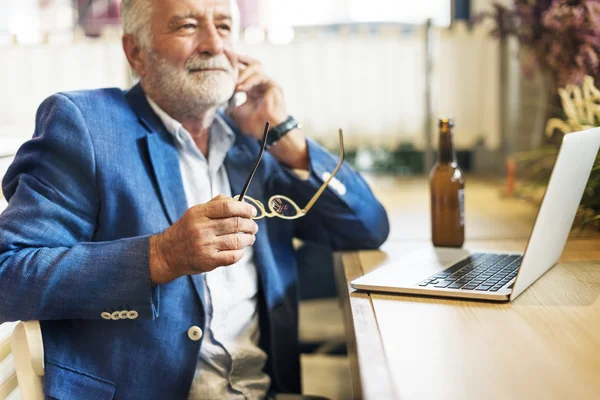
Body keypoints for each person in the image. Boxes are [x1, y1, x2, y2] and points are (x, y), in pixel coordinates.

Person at [0, 0, 389, 398]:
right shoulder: (85, 124)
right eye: (187, 26)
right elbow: (7, 275)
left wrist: (286, 136)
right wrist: (159, 256)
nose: (213, 44)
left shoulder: (251, 141)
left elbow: (367, 227)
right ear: (136, 51)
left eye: (223, 26)